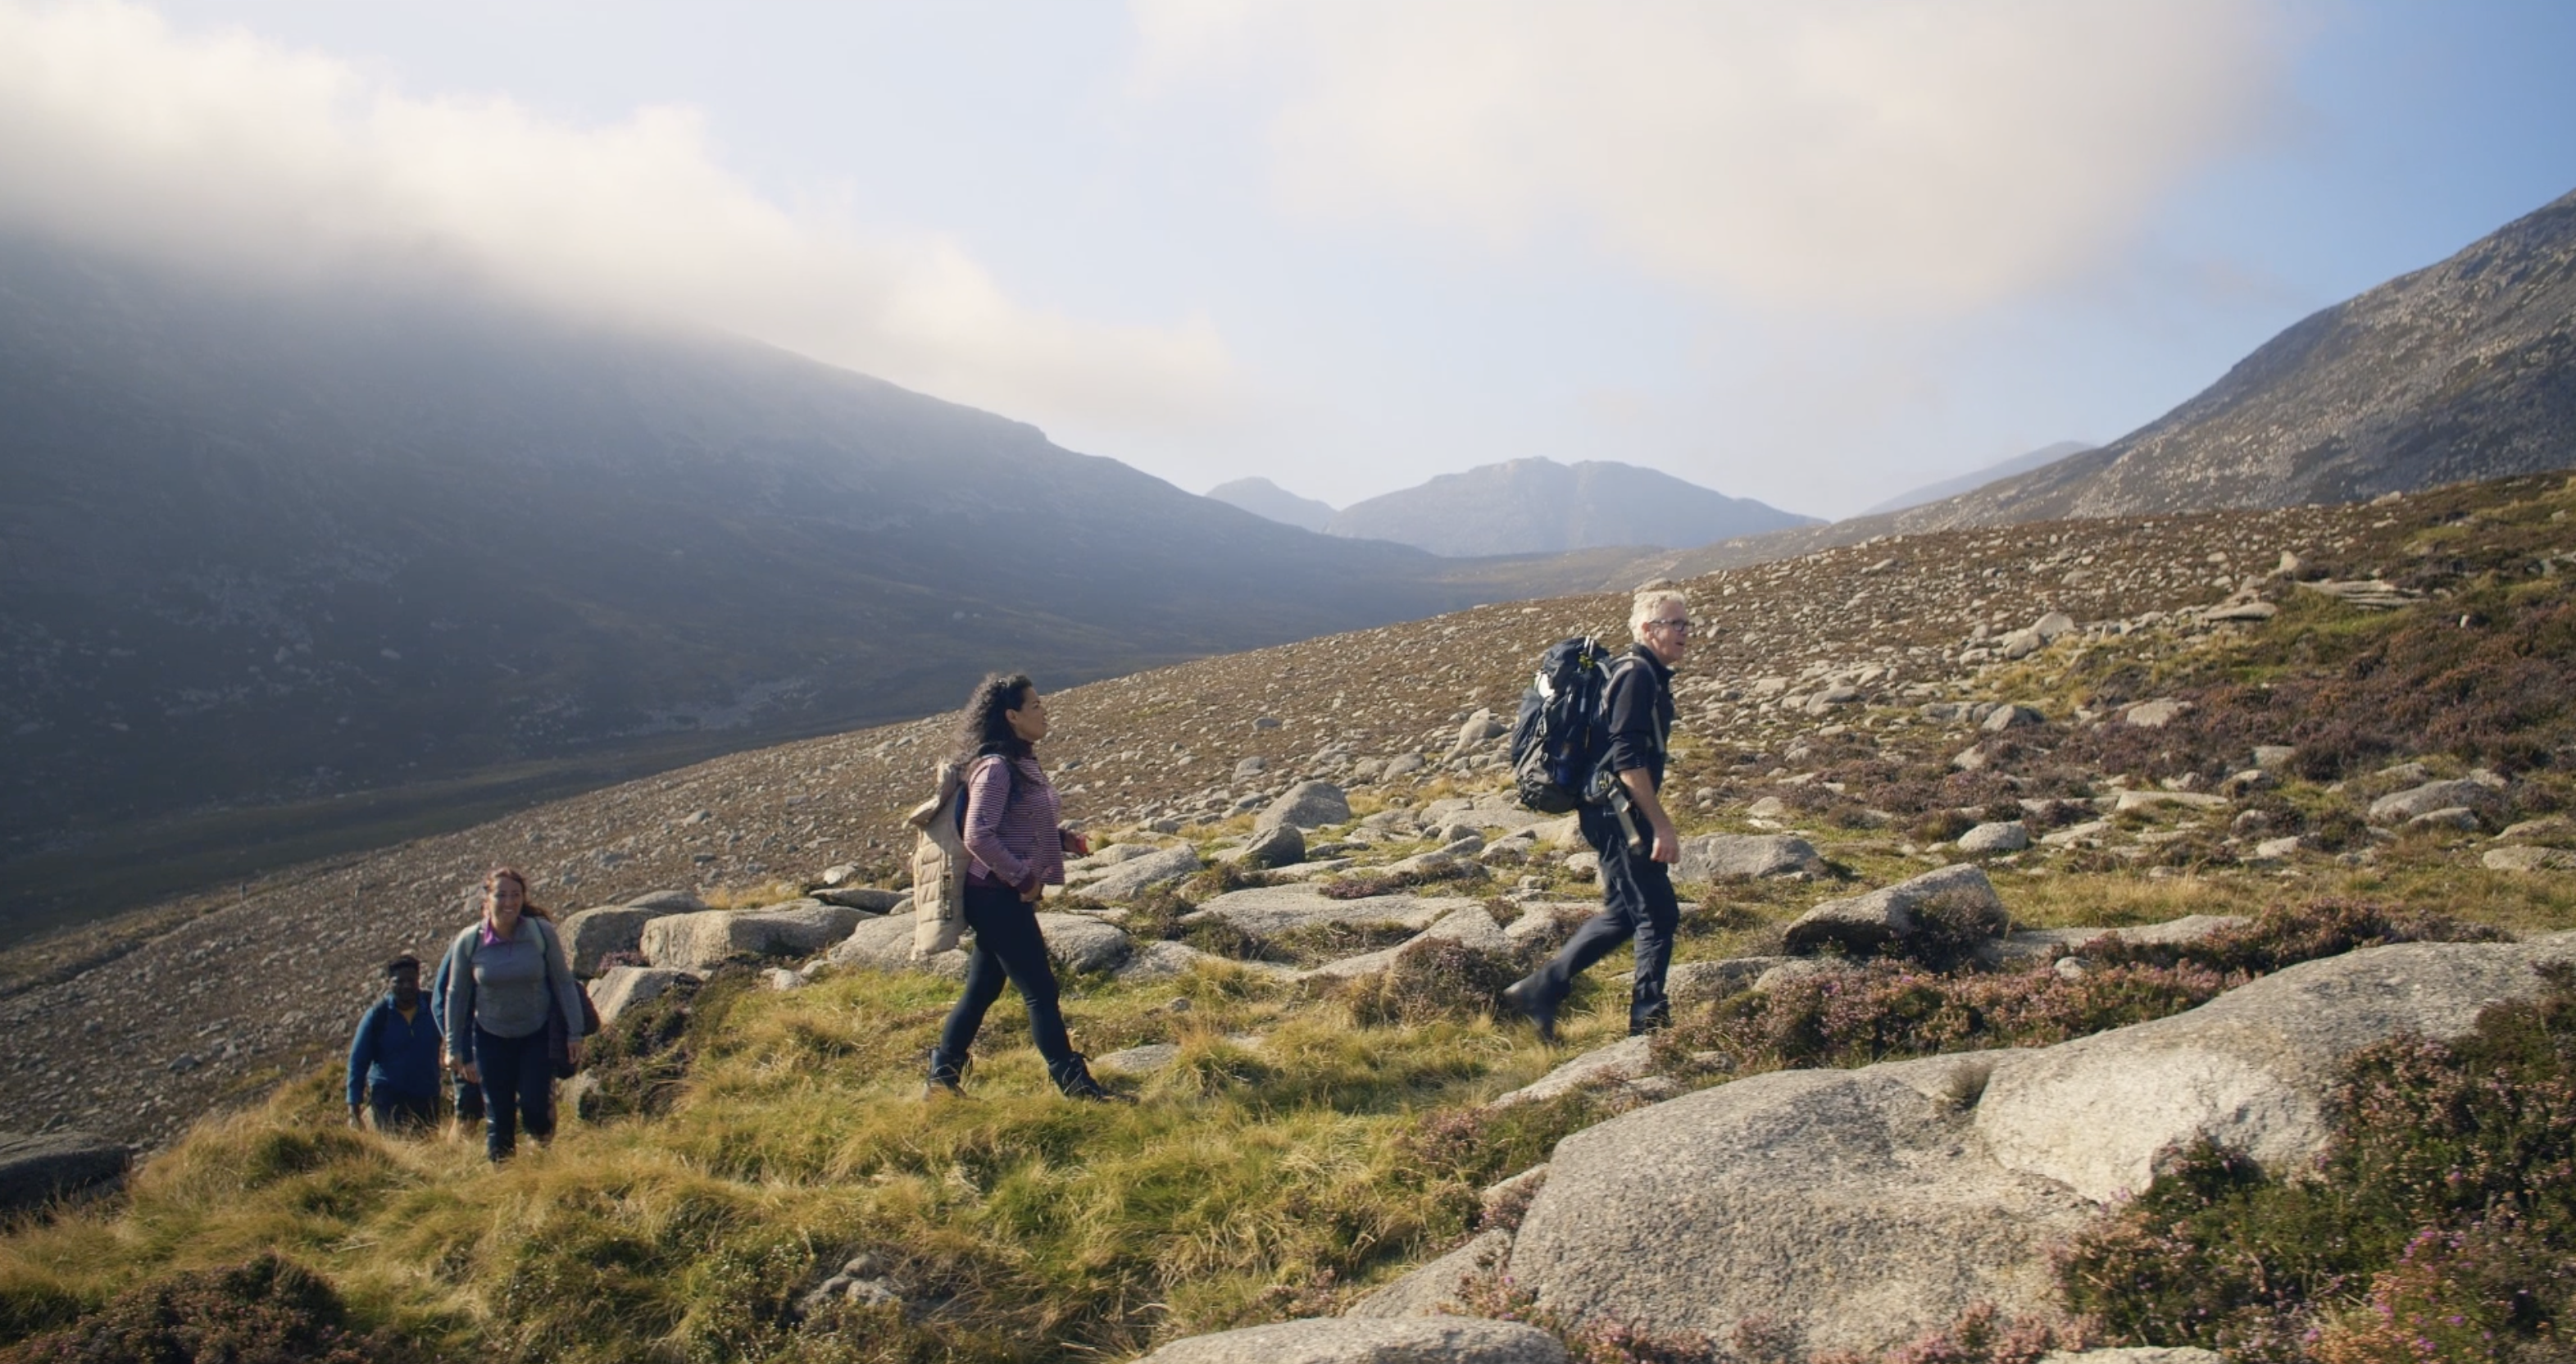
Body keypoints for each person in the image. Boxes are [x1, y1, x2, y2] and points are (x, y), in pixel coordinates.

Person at [1502, 589, 1690, 1041]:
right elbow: (1628, 759)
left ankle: (1540, 989)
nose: (1687, 633)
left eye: (1687, 625)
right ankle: (1648, 1023)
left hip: (1610, 810)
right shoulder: (1636, 675)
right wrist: (1660, 825)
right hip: (1619, 814)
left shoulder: (1646, 674)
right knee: (1658, 915)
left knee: (1624, 913)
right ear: (1648, 629)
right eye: (1676, 624)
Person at [925, 673, 1119, 1101]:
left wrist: (1062, 839)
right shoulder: (996, 768)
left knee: (982, 989)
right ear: (1011, 716)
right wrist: (1025, 878)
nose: (1043, 711)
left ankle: (941, 1081)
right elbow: (978, 834)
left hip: (999, 895)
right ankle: (1076, 1086)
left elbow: (1019, 825)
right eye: (1034, 706)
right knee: (1041, 991)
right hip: (996, 895)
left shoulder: (1020, 761)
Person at [440, 867, 587, 1160]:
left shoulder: (540, 933)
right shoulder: (469, 941)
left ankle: (540, 1156)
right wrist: (454, 1047)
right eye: (501, 895)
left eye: (516, 895)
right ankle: (504, 1181)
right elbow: (456, 995)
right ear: (487, 899)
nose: (509, 902)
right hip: (490, 1037)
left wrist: (575, 1032)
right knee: (499, 1114)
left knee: (536, 1108)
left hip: (536, 1034)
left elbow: (563, 982)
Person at [345, 955, 443, 1132]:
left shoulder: (434, 1009)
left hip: (427, 1094)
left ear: (418, 981)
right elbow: (358, 1062)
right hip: (388, 1097)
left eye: (411, 981)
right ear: (389, 983)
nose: (406, 986)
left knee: (428, 1151)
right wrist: (353, 1108)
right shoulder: (377, 1017)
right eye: (400, 981)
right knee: (396, 1148)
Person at [428, 944, 484, 1129]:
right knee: (468, 1113)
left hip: (510, 1042)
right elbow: (440, 1002)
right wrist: (459, 1049)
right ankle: (458, 1156)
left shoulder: (527, 938)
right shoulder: (468, 944)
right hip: (471, 1047)